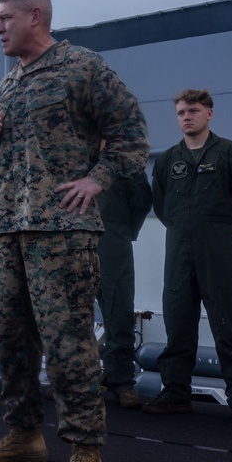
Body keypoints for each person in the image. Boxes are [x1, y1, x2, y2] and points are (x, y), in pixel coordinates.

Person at [0, 0, 148, 462]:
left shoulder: (82, 66)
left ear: (36, 15)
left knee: (69, 344)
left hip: (62, 231)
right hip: (9, 229)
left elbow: (132, 133)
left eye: (5, 18)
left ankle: (86, 453)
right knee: (10, 339)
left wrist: (98, 179)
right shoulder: (11, 81)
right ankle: (24, 434)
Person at [145, 89, 232, 425]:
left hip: (219, 251)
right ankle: (176, 393)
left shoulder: (230, 153)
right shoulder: (168, 160)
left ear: (209, 113)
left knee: (227, 326)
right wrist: (185, 228)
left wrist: (229, 229)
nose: (186, 117)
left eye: (193, 110)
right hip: (179, 251)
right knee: (178, 323)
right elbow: (162, 205)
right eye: (181, 111)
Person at [96, 164, 151, 408]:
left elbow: (141, 200)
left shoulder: (124, 162)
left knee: (119, 310)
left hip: (113, 239)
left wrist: (123, 230)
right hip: (71, 239)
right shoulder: (70, 152)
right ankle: (74, 381)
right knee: (70, 315)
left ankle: (121, 382)